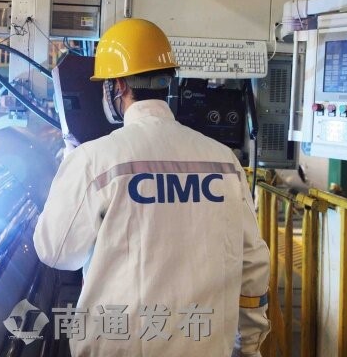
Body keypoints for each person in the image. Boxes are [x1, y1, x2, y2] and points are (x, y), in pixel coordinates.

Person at [33, 18, 270, 356]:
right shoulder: (224, 162)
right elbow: (254, 264)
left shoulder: (95, 160)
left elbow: (56, 252)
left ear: (117, 87)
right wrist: (248, 346)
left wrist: (69, 167)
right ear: (167, 82)